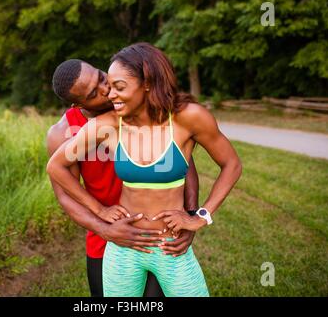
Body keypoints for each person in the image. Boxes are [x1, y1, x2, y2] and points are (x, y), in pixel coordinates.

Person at [47, 43, 242, 297]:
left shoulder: (168, 115)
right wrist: (102, 218)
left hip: (165, 238)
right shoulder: (83, 129)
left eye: (105, 80)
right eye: (95, 92)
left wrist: (195, 215)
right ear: (78, 104)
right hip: (110, 237)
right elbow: (60, 181)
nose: (107, 91)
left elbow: (188, 164)